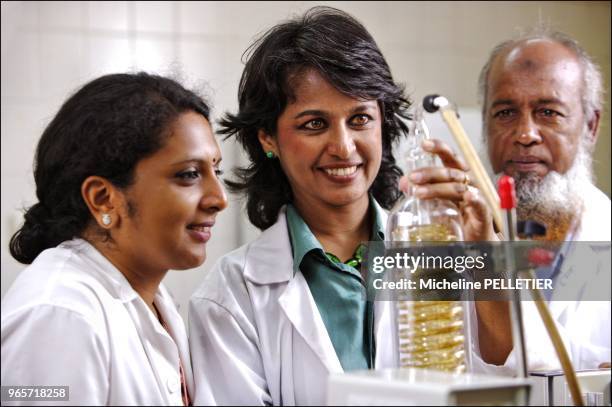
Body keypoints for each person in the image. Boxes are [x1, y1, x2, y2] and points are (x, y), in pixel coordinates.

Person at [188, 7, 502, 405]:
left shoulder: (441, 253)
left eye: (359, 119)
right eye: (314, 124)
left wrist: (486, 247)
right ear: (268, 137)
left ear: (383, 124)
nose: (343, 147)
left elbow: (508, 369)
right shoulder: (231, 295)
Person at [1, 72, 227, 405]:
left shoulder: (151, 301)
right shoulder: (59, 314)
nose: (218, 197)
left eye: (215, 171)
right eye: (189, 174)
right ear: (103, 198)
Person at [407, 30, 610, 372]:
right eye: (505, 113)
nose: (525, 134)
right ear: (485, 125)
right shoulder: (442, 241)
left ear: (590, 126)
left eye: (549, 112)